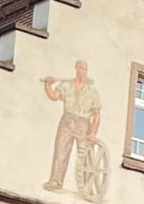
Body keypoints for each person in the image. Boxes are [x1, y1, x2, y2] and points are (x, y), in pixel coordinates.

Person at [41, 62, 101, 192]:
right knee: (60, 151)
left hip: (83, 124)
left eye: (85, 69)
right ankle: (55, 181)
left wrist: (93, 133)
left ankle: (87, 187)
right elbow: (54, 96)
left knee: (86, 156)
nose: (82, 71)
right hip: (67, 121)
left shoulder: (92, 92)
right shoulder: (66, 86)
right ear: (76, 69)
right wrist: (48, 85)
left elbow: (96, 114)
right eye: (80, 68)